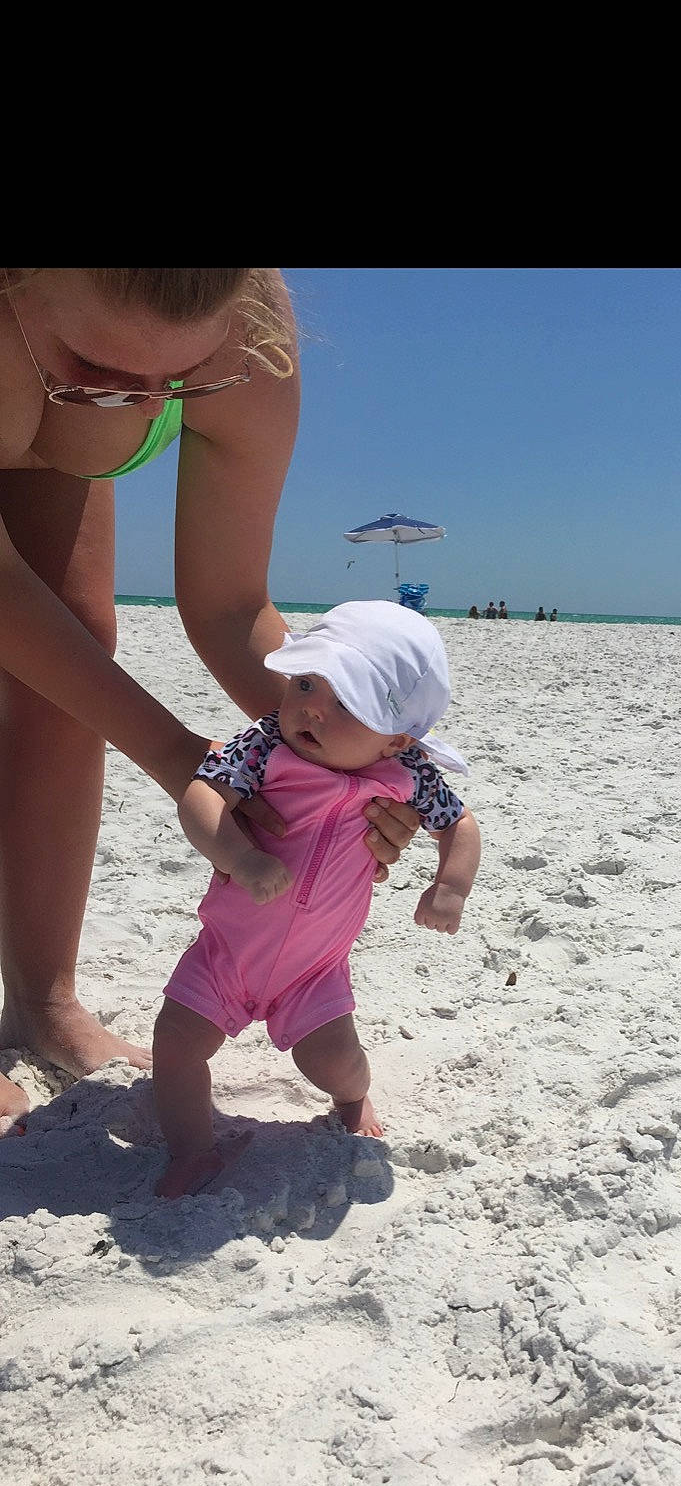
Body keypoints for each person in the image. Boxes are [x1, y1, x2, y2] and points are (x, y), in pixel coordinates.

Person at [0, 268, 419, 1131]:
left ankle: (42, 1000)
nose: (143, 409)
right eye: (96, 368)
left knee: (76, 647)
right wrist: (188, 760)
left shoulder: (249, 339)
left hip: (36, 419)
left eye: (180, 383)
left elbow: (230, 608)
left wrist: (367, 755)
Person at [152, 601, 482, 1198]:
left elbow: (461, 826)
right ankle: (192, 1151)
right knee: (174, 1045)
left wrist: (450, 887)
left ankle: (354, 1100)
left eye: (346, 701)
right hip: (226, 950)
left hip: (314, 970)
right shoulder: (264, 746)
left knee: (334, 1063)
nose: (311, 707)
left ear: (397, 736)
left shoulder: (410, 776)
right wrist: (240, 857)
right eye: (305, 682)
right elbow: (201, 797)